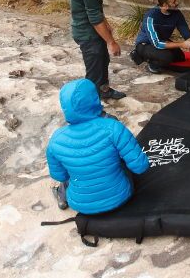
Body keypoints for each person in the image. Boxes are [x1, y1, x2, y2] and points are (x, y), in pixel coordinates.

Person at [46, 79, 150, 214]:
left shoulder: (55, 139)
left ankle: (62, 196)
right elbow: (140, 167)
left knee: (73, 169)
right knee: (117, 157)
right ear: (94, 98)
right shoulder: (113, 127)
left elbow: (60, 176)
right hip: (120, 197)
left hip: (81, 205)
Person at [130, 0, 190, 73]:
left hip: (161, 41)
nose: (176, 3)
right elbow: (156, 43)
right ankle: (148, 62)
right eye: (173, 2)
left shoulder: (177, 14)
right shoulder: (150, 17)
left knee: (180, 57)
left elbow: (188, 36)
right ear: (165, 5)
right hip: (145, 44)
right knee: (167, 57)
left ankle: (155, 56)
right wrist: (181, 44)